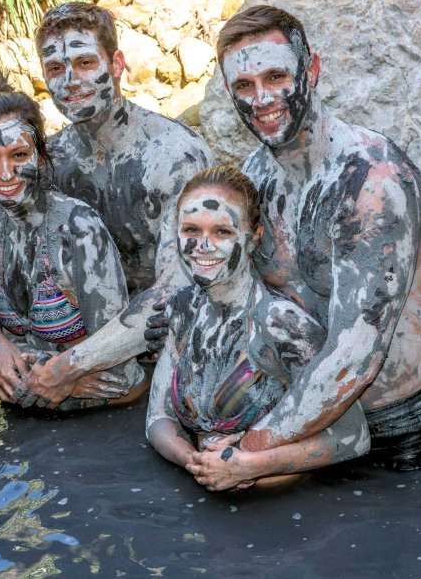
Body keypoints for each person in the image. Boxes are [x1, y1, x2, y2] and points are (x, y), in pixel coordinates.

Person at [189, 5, 421, 488]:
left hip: (403, 435)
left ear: (311, 70)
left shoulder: (372, 183)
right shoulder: (254, 179)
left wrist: (248, 450)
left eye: (276, 76)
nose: (262, 99)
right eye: (244, 86)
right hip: (303, 435)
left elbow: (355, 355)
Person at [0, 2, 213, 408]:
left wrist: (71, 366)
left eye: (83, 63)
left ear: (116, 63)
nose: (70, 81)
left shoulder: (172, 157)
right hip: (91, 336)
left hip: (171, 339)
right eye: (56, 70)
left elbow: (178, 289)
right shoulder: (55, 157)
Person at [146, 165, 369, 487]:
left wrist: (251, 466)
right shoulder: (184, 308)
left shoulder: (281, 324)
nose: (203, 246)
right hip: (206, 495)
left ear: (253, 239)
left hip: (283, 509)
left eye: (222, 232)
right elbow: (158, 418)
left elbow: (354, 435)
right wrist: (195, 462)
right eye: (191, 230)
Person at [0, 65, 144, 409]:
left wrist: (58, 377)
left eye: (18, 155)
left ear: (40, 155)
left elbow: (123, 376)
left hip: (103, 420)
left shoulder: (78, 229)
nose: (5, 174)